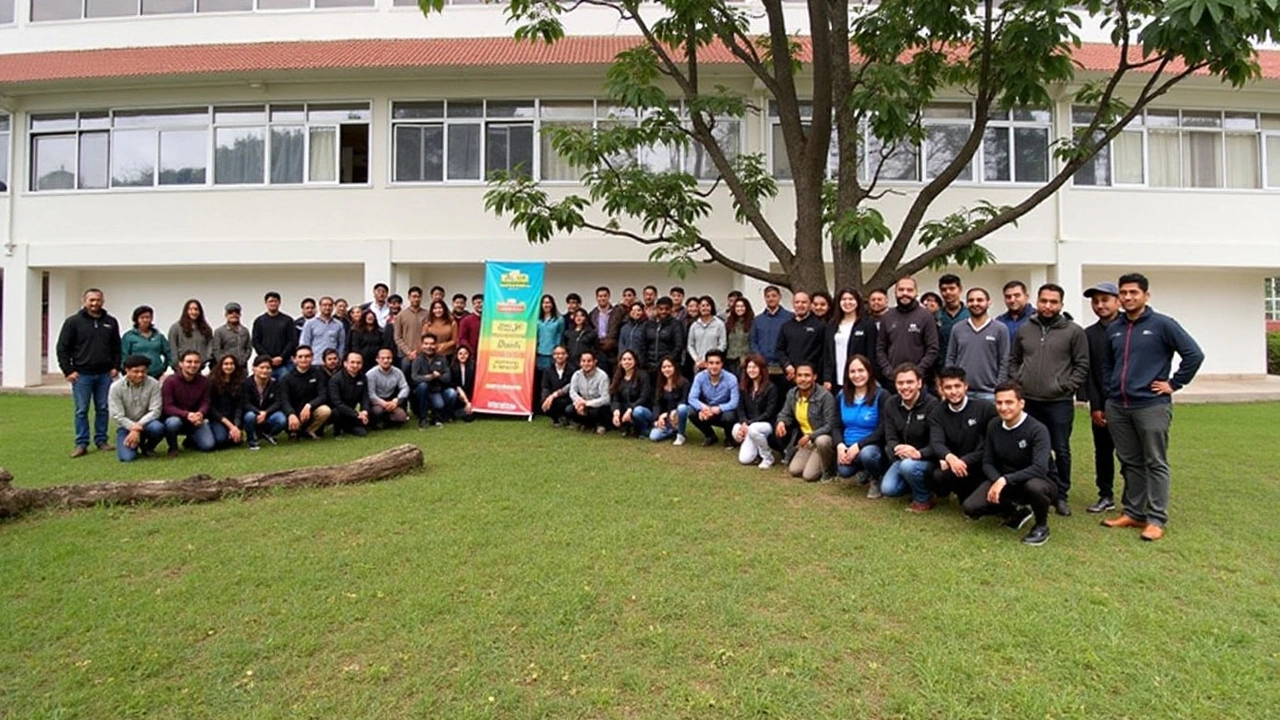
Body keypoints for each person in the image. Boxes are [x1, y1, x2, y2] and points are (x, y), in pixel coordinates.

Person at [1100, 272, 1204, 542]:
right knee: (1130, 461)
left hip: (1151, 405)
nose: (1127, 297)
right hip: (1118, 406)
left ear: (1146, 295)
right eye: (1123, 293)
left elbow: (1194, 354)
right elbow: (1108, 363)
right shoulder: (1115, 327)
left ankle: (1156, 518)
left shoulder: (1163, 324)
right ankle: (1134, 512)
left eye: (1133, 292)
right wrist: (1110, 389)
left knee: (1155, 461)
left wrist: (1174, 384)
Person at [1007, 283, 1089, 517]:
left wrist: (1066, 387)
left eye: (1053, 302)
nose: (1048, 305)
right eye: (1044, 300)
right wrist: (1018, 380)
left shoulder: (1073, 331)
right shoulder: (1025, 329)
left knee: (1060, 449)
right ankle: (1031, 490)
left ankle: (1061, 495)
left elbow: (1082, 365)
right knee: (1028, 449)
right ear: (1037, 301)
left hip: (1058, 402)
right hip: (1029, 400)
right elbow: (1014, 359)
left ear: (1061, 304)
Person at [961, 381, 1057, 546]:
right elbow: (987, 462)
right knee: (970, 507)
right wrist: (998, 480)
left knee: (1035, 487)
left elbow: (1040, 469)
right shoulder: (993, 425)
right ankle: (1014, 512)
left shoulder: (1038, 430)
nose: (1004, 407)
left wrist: (1004, 480)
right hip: (1007, 480)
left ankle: (1041, 526)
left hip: (1039, 481)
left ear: (1021, 403)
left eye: (1009, 402)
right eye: (999, 402)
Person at [57, 288, 123, 458]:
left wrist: (116, 366)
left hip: (104, 374)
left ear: (103, 301)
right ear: (84, 301)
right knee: (81, 409)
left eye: (98, 300)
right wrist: (68, 371)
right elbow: (62, 348)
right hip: (82, 375)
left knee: (103, 408)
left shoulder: (111, 322)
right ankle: (81, 443)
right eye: (91, 300)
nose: (95, 303)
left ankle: (101, 440)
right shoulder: (73, 322)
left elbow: (117, 347)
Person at [928, 366, 998, 507]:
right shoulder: (937, 413)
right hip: (956, 465)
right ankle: (958, 492)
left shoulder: (985, 408)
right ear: (941, 389)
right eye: (948, 387)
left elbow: (990, 443)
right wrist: (950, 457)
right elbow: (936, 442)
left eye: (957, 386)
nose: (953, 392)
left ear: (966, 386)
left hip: (982, 464)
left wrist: (965, 460)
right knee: (938, 475)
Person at [1081, 282, 1122, 514]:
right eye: (1096, 301)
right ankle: (1105, 495)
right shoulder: (1090, 334)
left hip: (1129, 404)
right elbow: (1090, 373)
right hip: (1102, 405)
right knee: (1103, 452)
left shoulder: (1131, 327)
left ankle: (1135, 497)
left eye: (1105, 300)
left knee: (1130, 454)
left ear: (1118, 301)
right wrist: (1095, 405)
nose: (1100, 305)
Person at [877, 364, 940, 509]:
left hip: (928, 459)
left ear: (919, 383)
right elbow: (890, 437)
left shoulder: (932, 405)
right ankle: (915, 485)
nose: (905, 387)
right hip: (903, 457)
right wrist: (898, 448)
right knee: (888, 489)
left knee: (908, 466)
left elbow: (937, 442)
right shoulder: (891, 404)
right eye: (900, 383)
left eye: (910, 382)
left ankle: (924, 498)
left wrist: (918, 453)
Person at [774, 362, 838, 482]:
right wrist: (781, 422)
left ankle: (830, 470)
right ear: (795, 377)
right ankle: (812, 458)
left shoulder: (825, 397)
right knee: (795, 470)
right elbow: (785, 413)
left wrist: (811, 436)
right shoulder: (792, 394)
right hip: (806, 442)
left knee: (809, 475)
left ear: (814, 377)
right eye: (800, 375)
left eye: (807, 375)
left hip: (821, 440)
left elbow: (830, 425)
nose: (803, 379)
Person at [875, 276, 940, 389]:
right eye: (901, 290)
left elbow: (932, 349)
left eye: (909, 290)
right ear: (895, 292)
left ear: (916, 292)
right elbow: (880, 348)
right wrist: (888, 371)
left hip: (918, 381)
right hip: (892, 380)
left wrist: (918, 372)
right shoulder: (887, 317)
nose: (905, 293)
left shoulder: (926, 316)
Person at [834, 354, 889, 488]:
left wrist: (859, 445)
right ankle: (865, 470)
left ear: (869, 372)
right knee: (844, 471)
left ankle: (876, 478)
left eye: (861, 370)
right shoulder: (841, 395)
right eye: (852, 371)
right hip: (848, 446)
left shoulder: (882, 395)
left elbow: (883, 429)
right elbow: (836, 425)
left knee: (867, 455)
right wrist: (840, 445)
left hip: (872, 447)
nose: (857, 375)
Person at [945, 287, 1009, 401]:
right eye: (971, 300)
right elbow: (950, 358)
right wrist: (952, 385)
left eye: (980, 300)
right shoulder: (957, 328)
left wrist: (998, 387)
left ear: (989, 302)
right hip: (962, 392)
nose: (975, 303)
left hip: (989, 393)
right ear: (967, 303)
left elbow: (1004, 360)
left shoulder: (1000, 329)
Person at [108, 355, 166, 462]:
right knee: (127, 458)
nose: (140, 374)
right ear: (127, 370)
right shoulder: (116, 387)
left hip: (147, 424)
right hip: (125, 427)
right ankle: (133, 444)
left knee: (158, 428)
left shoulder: (154, 384)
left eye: (143, 371)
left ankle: (147, 448)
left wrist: (137, 426)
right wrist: (133, 427)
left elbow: (155, 410)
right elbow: (117, 415)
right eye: (135, 371)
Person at [161, 350, 215, 455]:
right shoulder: (170, 381)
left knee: (208, 445)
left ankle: (190, 440)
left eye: (196, 362)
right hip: (176, 417)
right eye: (189, 362)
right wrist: (187, 414)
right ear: (181, 364)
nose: (193, 365)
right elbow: (167, 407)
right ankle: (173, 447)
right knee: (173, 423)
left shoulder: (205, 382)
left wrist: (200, 413)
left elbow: (206, 402)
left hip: (196, 419)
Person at [732, 354, 781, 469]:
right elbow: (740, 408)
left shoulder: (771, 388)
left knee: (753, 428)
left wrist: (748, 424)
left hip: (765, 424)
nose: (751, 370)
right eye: (749, 367)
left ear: (761, 369)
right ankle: (756, 451)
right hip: (749, 426)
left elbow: (769, 413)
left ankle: (767, 456)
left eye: (754, 367)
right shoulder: (745, 387)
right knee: (744, 458)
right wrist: (744, 422)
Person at [824, 288, 877, 391]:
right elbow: (827, 354)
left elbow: (871, 354)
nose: (847, 302)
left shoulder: (867, 324)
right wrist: (827, 378)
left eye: (851, 299)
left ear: (857, 302)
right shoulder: (831, 325)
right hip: (837, 378)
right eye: (843, 299)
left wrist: (871, 376)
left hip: (859, 378)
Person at [687, 350, 741, 447]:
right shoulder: (699, 377)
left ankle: (729, 438)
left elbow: (734, 402)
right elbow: (691, 398)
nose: (714, 366)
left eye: (717, 363)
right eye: (711, 363)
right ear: (706, 364)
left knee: (729, 416)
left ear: (722, 364)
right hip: (706, 411)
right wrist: (702, 408)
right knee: (691, 411)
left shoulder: (731, 379)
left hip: (724, 412)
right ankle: (710, 436)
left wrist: (719, 408)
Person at [279, 345, 333, 440]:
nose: (304, 359)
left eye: (307, 356)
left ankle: (309, 431)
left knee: (325, 410)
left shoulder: (319, 373)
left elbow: (323, 395)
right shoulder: (286, 378)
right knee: (283, 416)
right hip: (294, 413)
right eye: (300, 357)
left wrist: (309, 405)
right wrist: (291, 414)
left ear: (312, 357)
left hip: (311, 411)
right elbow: (284, 400)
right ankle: (294, 431)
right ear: (294, 359)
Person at [776, 291, 826, 385]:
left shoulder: (819, 326)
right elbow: (780, 350)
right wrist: (787, 365)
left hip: (811, 378)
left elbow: (824, 353)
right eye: (797, 302)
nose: (800, 305)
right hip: (790, 377)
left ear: (810, 305)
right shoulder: (786, 326)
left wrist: (814, 373)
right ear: (793, 304)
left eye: (804, 302)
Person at [750, 285, 794, 382]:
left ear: (779, 297)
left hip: (784, 367)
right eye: (768, 296)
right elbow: (753, 341)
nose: (771, 299)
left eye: (774, 296)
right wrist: (759, 357)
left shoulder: (789, 318)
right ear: (764, 298)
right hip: (764, 367)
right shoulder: (758, 320)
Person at [410, 333, 455, 428]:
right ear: (421, 345)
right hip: (421, 392)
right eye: (426, 344)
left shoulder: (442, 359)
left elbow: (448, 377)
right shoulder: (417, 360)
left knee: (451, 394)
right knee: (423, 386)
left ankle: (442, 416)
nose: (429, 347)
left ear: (436, 345)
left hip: (436, 390)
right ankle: (423, 418)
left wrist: (438, 376)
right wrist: (430, 377)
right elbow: (414, 377)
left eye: (432, 344)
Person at [243, 355, 287, 449]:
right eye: (261, 367)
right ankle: (252, 440)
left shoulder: (275, 384)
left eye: (268, 368)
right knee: (249, 416)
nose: (265, 370)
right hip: (252, 415)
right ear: (254, 368)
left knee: (282, 419)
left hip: (268, 414)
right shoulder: (246, 384)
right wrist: (258, 412)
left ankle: (267, 434)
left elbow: (279, 402)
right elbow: (245, 403)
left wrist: (266, 413)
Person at [252, 292, 297, 380]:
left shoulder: (287, 320)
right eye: (270, 301)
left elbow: (292, 341)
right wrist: (268, 358)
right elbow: (255, 341)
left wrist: (282, 357)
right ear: (266, 303)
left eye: (275, 301)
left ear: (279, 302)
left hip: (285, 363)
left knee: (285, 387)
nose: (273, 303)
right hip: (265, 364)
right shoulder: (259, 321)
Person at [121, 305, 171, 380]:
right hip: (136, 375)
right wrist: (127, 372)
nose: (145, 320)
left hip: (156, 374)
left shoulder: (158, 336)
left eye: (148, 317)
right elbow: (124, 356)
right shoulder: (129, 336)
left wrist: (164, 368)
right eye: (142, 317)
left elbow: (168, 352)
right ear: (136, 319)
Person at [610, 350, 653, 437]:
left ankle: (645, 430)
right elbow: (615, 398)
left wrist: (630, 409)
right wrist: (616, 412)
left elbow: (644, 397)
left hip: (642, 409)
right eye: (624, 359)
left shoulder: (643, 375)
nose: (627, 362)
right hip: (624, 410)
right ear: (620, 362)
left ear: (635, 361)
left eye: (630, 359)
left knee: (637, 412)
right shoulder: (618, 377)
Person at [567, 349, 612, 434]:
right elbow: (572, 391)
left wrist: (586, 403)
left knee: (596, 412)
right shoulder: (577, 374)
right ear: (580, 363)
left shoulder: (602, 376)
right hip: (582, 403)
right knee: (569, 410)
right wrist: (579, 402)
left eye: (589, 361)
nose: (586, 364)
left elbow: (606, 398)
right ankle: (585, 424)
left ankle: (601, 425)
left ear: (595, 361)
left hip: (598, 406)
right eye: (583, 361)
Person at [649, 356, 691, 444]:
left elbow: (684, 400)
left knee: (682, 408)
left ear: (675, 367)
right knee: (654, 436)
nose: (666, 369)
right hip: (665, 418)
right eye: (664, 367)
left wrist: (672, 412)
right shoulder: (660, 383)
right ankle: (672, 432)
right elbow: (656, 403)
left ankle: (680, 435)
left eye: (669, 366)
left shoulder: (684, 383)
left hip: (677, 415)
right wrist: (658, 418)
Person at [208, 354, 247, 449]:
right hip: (218, 418)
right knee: (221, 440)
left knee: (235, 442)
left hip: (234, 418)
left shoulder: (240, 381)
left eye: (231, 364)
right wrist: (231, 426)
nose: (229, 366)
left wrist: (236, 425)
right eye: (226, 364)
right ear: (220, 366)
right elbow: (211, 408)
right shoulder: (212, 382)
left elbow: (240, 406)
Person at [328, 351, 371, 437]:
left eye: (358, 363)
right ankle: (338, 431)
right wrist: (357, 414)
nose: (355, 365)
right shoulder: (335, 379)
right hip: (338, 411)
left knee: (362, 433)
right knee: (337, 412)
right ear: (345, 363)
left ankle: (348, 427)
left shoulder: (363, 377)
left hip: (352, 412)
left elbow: (365, 397)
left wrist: (365, 411)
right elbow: (337, 403)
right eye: (352, 362)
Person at [367, 348, 410, 429]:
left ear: (392, 359)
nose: (386, 360)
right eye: (382, 358)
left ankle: (386, 420)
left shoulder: (398, 372)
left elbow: (405, 387)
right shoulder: (371, 374)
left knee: (402, 417)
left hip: (391, 400)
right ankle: (376, 421)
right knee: (377, 411)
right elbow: (370, 393)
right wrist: (383, 403)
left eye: (388, 358)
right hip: (376, 402)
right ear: (377, 359)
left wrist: (396, 401)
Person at [168, 298, 213, 371]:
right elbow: (172, 347)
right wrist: (177, 363)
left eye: (196, 309)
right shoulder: (176, 328)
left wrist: (205, 360)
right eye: (190, 309)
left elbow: (210, 345)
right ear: (186, 311)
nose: (193, 312)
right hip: (181, 368)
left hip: (200, 367)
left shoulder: (206, 329)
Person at [394, 286, 431, 374]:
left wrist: (422, 349)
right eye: (414, 296)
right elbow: (397, 337)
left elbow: (429, 334)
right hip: (406, 355)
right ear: (409, 297)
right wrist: (408, 352)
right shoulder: (401, 315)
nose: (416, 299)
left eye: (418, 296)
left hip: (423, 353)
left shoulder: (427, 314)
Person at [589, 286, 628, 370]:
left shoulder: (618, 311)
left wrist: (615, 342)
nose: (602, 298)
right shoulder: (592, 314)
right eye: (600, 296)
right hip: (599, 349)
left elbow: (623, 328)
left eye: (605, 296)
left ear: (609, 296)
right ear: (596, 298)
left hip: (614, 350)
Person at [644, 298, 685, 374]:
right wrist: (645, 361)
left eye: (667, 309)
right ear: (656, 309)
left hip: (668, 366)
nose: (663, 311)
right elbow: (643, 343)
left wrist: (668, 361)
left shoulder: (676, 324)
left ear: (671, 309)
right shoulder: (649, 324)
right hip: (650, 365)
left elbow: (679, 345)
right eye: (661, 309)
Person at [687, 296, 728, 374]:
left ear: (712, 307)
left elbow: (723, 344)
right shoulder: (694, 325)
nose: (705, 308)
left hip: (714, 364)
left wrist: (712, 359)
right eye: (702, 306)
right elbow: (690, 345)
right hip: (699, 365)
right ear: (698, 308)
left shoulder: (719, 324)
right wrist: (697, 359)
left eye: (707, 305)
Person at [299, 296, 345, 360]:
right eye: (325, 305)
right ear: (320, 307)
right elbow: (305, 342)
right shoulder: (310, 323)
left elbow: (341, 344)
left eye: (330, 305)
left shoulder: (338, 324)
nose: (327, 307)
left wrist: (339, 358)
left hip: (332, 362)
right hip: (315, 361)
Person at [935, 274, 970, 356]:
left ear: (960, 289)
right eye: (944, 289)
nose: (948, 292)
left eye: (952, 288)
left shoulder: (970, 315)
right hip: (942, 365)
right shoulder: (936, 316)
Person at [536, 294, 566, 388]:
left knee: (552, 380)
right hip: (539, 354)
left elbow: (561, 335)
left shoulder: (559, 319)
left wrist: (557, 350)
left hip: (553, 355)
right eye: (544, 303)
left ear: (552, 304)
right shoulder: (537, 319)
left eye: (548, 302)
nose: (546, 305)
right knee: (539, 380)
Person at [540, 345, 574, 427]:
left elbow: (572, 387)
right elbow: (545, 387)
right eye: (557, 354)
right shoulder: (548, 370)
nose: (560, 356)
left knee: (567, 407)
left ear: (567, 355)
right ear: (553, 356)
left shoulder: (573, 369)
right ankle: (556, 419)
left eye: (563, 353)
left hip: (568, 398)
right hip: (553, 399)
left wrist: (553, 396)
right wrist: (545, 399)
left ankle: (569, 419)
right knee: (544, 402)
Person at [211, 302, 253, 368]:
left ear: (240, 314)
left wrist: (243, 360)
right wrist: (225, 363)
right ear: (226, 315)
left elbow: (248, 348)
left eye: (237, 312)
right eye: (230, 312)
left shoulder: (245, 331)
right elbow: (216, 350)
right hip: (225, 368)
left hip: (242, 367)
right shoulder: (219, 331)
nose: (234, 315)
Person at [347, 309, 386, 373]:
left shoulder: (380, 332)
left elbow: (382, 345)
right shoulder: (356, 331)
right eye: (368, 318)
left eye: (372, 318)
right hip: (362, 360)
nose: (370, 319)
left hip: (376, 360)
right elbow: (355, 347)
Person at [724, 297, 754, 377]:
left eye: (742, 306)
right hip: (730, 360)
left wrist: (746, 357)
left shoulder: (752, 323)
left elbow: (753, 342)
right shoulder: (729, 323)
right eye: (737, 306)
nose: (739, 309)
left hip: (745, 360)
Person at [617, 302, 649, 370]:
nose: (636, 312)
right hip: (627, 361)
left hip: (641, 362)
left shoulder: (647, 326)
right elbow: (621, 344)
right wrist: (621, 359)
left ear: (643, 312)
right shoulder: (624, 327)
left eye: (639, 310)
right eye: (633, 310)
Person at [450, 345, 477, 422]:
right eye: (460, 353)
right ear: (456, 355)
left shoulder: (473, 366)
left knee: (471, 412)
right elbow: (456, 386)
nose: (463, 356)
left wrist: (470, 402)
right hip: (458, 396)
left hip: (470, 395)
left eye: (465, 353)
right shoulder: (452, 367)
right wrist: (467, 402)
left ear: (469, 355)